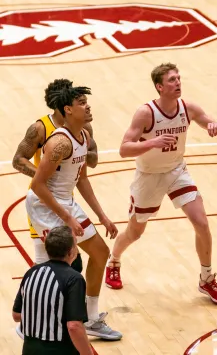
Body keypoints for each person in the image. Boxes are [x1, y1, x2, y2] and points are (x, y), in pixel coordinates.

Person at [106, 63, 217, 306]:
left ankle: (206, 277)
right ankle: (114, 260)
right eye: (172, 80)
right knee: (135, 232)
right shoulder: (146, 113)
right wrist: (151, 143)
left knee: (201, 223)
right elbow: (123, 149)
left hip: (176, 171)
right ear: (159, 87)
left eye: (179, 78)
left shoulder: (188, 108)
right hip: (149, 176)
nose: (178, 83)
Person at [25, 83, 121, 341]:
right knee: (54, 266)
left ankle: (90, 318)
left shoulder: (84, 137)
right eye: (81, 102)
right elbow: (37, 185)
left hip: (65, 201)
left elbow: (82, 180)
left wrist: (102, 216)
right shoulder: (59, 142)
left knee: (101, 252)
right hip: (44, 205)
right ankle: (28, 320)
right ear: (67, 109)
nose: (87, 105)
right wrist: (67, 218)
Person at [13, 79, 99, 272]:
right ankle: (33, 295)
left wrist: (81, 150)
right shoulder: (40, 128)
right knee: (48, 261)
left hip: (66, 197)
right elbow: (18, 160)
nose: (83, 104)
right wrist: (44, 175)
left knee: (72, 260)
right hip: (42, 199)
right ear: (64, 106)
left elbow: (92, 163)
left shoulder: (84, 127)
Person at [13, 227, 91, 355]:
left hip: (29, 350)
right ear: (71, 252)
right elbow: (74, 326)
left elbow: (16, 315)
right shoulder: (74, 278)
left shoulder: (31, 272)